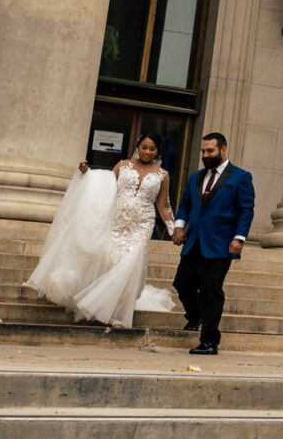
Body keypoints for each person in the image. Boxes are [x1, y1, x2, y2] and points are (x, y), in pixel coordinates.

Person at [24, 135, 181, 329]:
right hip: (116, 222)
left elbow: (164, 204)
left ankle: (118, 314)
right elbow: (103, 186)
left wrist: (174, 228)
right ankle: (104, 306)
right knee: (110, 262)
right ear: (138, 147)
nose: (147, 152)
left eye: (152, 149)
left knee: (130, 266)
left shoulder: (162, 175)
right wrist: (87, 173)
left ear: (158, 151)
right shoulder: (122, 165)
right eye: (144, 147)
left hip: (142, 224)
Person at [170, 131, 255, 356]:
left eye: (210, 151)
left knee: (211, 290)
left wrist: (239, 238)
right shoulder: (195, 177)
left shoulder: (240, 177)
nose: (205, 155)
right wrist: (179, 227)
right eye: (203, 151)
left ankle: (209, 341)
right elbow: (186, 204)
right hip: (194, 240)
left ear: (223, 149)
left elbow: (246, 210)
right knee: (182, 283)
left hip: (220, 245)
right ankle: (196, 315)